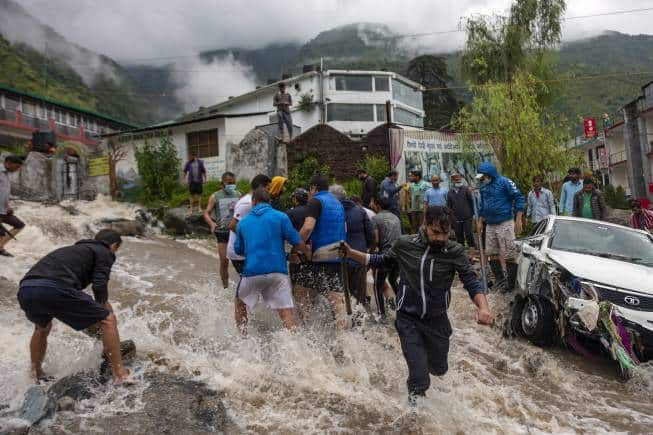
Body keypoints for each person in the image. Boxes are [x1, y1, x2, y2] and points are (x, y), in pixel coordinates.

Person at [339, 206, 492, 402]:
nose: (440, 238)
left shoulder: (455, 251)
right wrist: (351, 253)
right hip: (408, 319)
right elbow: (382, 260)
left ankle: (421, 363)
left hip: (437, 320)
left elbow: (470, 280)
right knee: (420, 379)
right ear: (425, 225)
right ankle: (415, 415)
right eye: (435, 232)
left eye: (445, 233)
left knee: (439, 369)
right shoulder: (405, 244)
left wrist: (483, 307)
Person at [17, 230, 130, 384]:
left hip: (26, 288)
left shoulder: (72, 249)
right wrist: (103, 305)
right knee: (108, 319)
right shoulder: (104, 251)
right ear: (114, 245)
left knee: (41, 328)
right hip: (54, 287)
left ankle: (36, 373)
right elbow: (99, 284)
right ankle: (119, 373)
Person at [234, 188, 311, 332]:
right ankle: (295, 345)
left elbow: (238, 250)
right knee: (286, 313)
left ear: (254, 202)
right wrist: (307, 250)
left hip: (252, 273)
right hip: (278, 273)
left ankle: (242, 337)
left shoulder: (243, 223)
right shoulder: (281, 217)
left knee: (239, 302)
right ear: (269, 202)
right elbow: (295, 240)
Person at [299, 174, 347, 328]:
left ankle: (306, 330)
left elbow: (307, 228)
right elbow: (345, 227)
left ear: (313, 188)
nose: (308, 193)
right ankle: (344, 334)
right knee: (336, 298)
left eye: (309, 189)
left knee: (302, 291)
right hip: (338, 252)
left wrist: (296, 245)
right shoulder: (338, 202)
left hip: (320, 253)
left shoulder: (315, 201)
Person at [476, 162, 525, 293]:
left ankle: (511, 283)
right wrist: (480, 221)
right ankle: (500, 280)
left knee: (509, 253)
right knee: (491, 253)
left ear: (489, 174)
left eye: (483, 176)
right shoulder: (483, 187)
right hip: (490, 224)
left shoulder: (505, 182)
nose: (481, 179)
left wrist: (518, 219)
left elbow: (519, 198)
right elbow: (482, 206)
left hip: (505, 222)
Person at [330, 185, 376, 306]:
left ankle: (344, 322)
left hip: (338, 260)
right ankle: (360, 321)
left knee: (341, 296)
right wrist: (367, 252)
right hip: (358, 258)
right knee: (359, 295)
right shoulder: (360, 211)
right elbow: (371, 236)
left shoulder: (331, 213)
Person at [227, 174, 272, 276]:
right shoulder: (248, 203)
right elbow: (233, 225)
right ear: (261, 186)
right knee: (252, 283)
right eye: (267, 188)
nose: (268, 191)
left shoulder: (251, 200)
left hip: (245, 251)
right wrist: (251, 241)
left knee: (252, 284)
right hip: (240, 253)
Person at [203, 171, 241, 289]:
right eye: (229, 183)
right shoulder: (215, 197)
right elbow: (206, 213)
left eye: (233, 183)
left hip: (236, 231)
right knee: (224, 261)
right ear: (222, 183)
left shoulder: (239, 195)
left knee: (242, 260)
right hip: (222, 232)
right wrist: (211, 223)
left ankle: (244, 285)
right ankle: (225, 287)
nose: (232, 185)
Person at [370, 196, 402, 317]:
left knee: (377, 285)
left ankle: (381, 314)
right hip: (398, 255)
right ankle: (402, 306)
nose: (371, 205)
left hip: (385, 256)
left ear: (378, 205)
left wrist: (370, 253)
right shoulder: (396, 218)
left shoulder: (375, 219)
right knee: (393, 280)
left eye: (373, 203)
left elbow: (376, 240)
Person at [0, 155, 25, 257]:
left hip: (3, 210)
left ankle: (0, 247)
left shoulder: (5, 174)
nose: (17, 169)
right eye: (16, 167)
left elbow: (2, 193)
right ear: (8, 163)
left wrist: (7, 207)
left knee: (19, 224)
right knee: (1, 233)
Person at [446, 172, 475, 249]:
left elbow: (472, 201)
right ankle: (461, 252)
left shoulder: (466, 189)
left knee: (469, 234)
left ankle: (472, 251)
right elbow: (449, 207)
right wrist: (451, 218)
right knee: (459, 235)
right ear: (452, 180)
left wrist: (472, 214)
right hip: (456, 218)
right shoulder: (450, 193)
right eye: (455, 178)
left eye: (458, 178)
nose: (457, 180)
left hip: (467, 216)